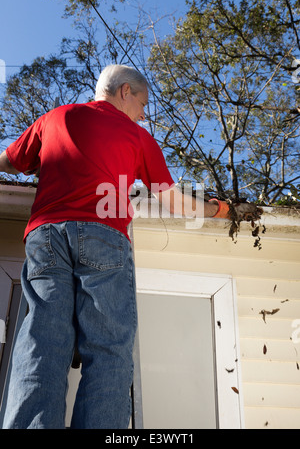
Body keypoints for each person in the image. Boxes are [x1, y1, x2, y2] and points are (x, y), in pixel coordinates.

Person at [0, 64, 229, 429]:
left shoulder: (54, 118)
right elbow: (173, 202)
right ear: (125, 91)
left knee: (41, 341)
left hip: (46, 236)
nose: (143, 112)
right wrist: (217, 208)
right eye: (143, 102)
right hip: (103, 235)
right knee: (107, 351)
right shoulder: (137, 136)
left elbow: (9, 162)